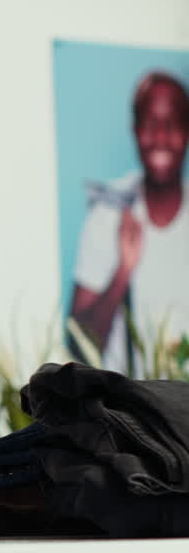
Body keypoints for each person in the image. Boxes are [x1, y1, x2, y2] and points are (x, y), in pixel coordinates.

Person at [70, 71, 189, 374]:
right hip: (130, 414)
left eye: (172, 125)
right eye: (150, 125)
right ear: (135, 131)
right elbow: (79, 343)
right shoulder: (110, 214)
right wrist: (122, 272)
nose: (160, 137)